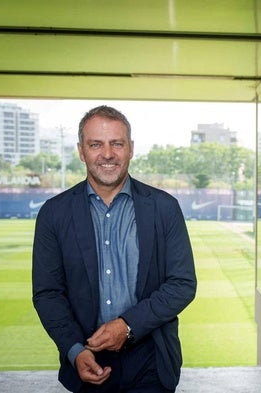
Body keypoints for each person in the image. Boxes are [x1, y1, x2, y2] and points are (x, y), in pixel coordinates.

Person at [32, 105, 197, 392]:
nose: (107, 154)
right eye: (96, 144)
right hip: (87, 359)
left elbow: (182, 284)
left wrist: (127, 326)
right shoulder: (53, 214)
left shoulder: (164, 208)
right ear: (82, 151)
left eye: (116, 144)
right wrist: (74, 350)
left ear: (130, 148)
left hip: (151, 362)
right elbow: (48, 293)